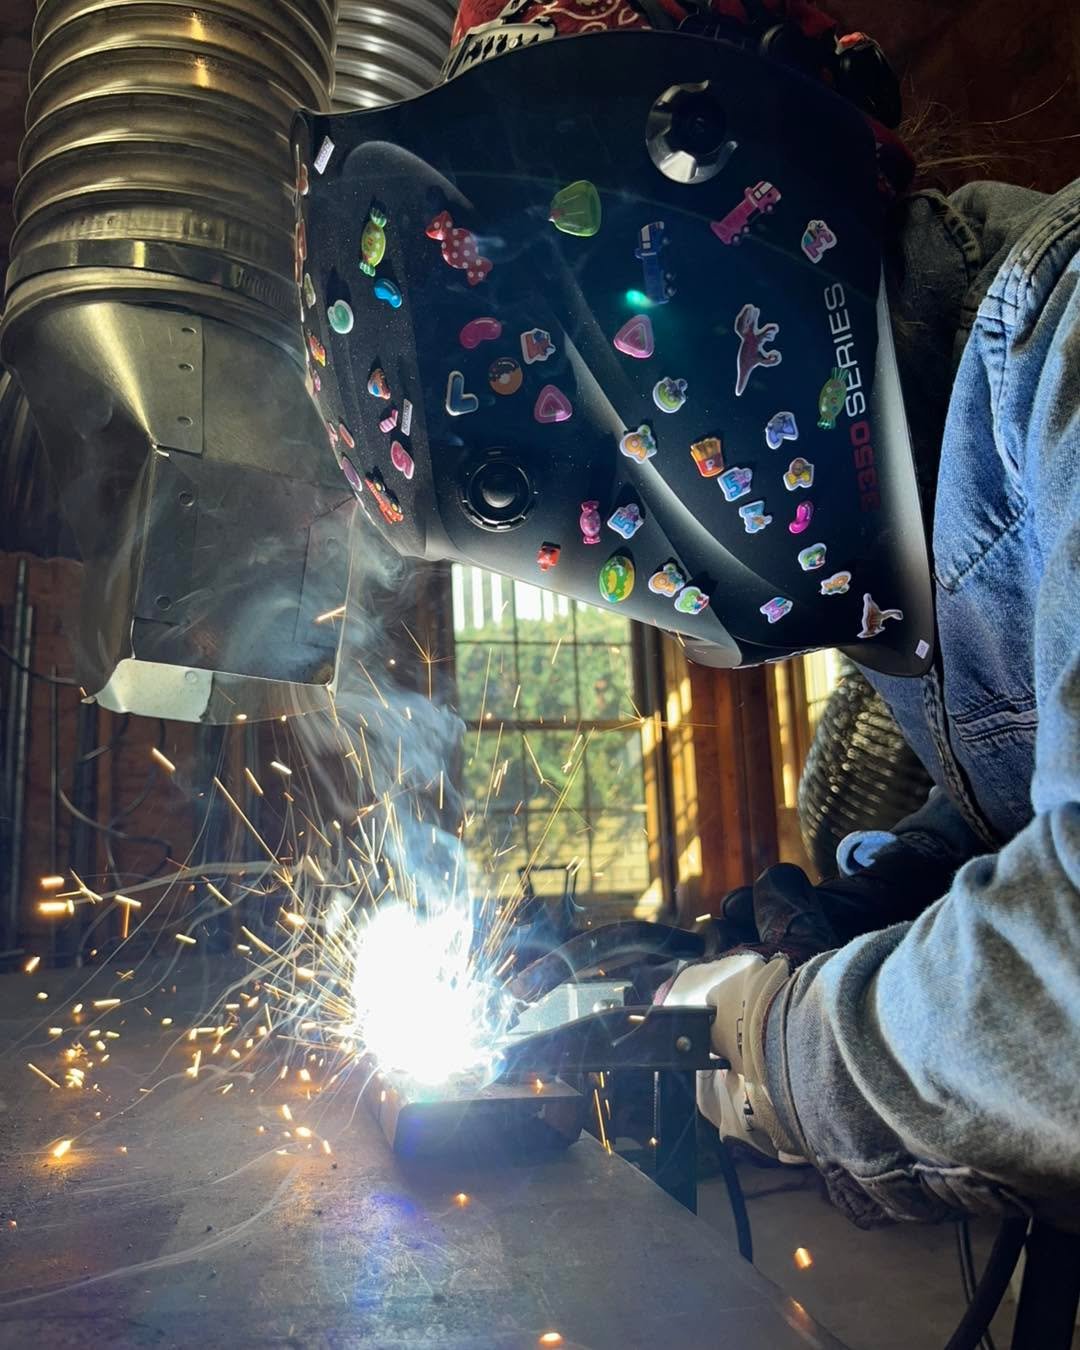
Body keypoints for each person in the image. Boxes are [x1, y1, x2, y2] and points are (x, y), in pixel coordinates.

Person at [443, 0, 1080, 1228]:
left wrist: (792, 1052)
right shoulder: (905, 511)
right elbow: (1030, 781)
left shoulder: (1061, 350)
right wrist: (884, 899)